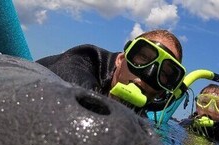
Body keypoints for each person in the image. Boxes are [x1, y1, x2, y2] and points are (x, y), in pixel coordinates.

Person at [37, 29, 186, 113]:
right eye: (142, 57)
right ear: (120, 59)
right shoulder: (85, 59)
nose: (147, 75)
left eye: (164, 74)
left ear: (160, 92)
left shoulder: (142, 117)